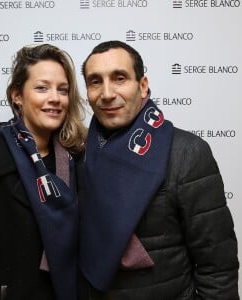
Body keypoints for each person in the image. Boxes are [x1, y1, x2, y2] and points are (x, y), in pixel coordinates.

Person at [78, 40, 239, 299]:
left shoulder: (186, 152)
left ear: (143, 86)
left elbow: (217, 266)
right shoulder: (79, 155)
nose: (107, 93)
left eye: (119, 78)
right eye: (95, 81)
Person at [0, 43, 86, 300]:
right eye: (42, 87)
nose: (55, 98)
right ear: (17, 96)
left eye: (62, 90)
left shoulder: (77, 160)